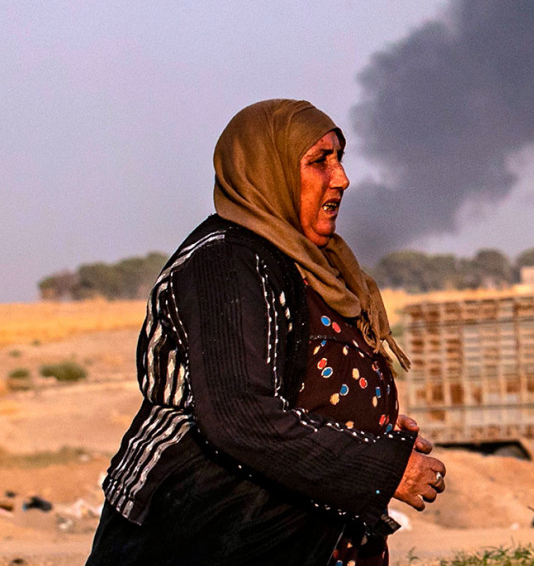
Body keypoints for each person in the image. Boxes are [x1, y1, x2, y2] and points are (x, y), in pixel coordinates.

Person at [86, 99, 446, 565]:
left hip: (295, 528)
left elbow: (292, 377)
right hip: (208, 529)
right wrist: (378, 467)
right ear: (266, 171)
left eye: (340, 158)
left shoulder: (311, 265)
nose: (341, 178)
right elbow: (241, 416)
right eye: (319, 161)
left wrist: (365, 423)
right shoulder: (226, 263)